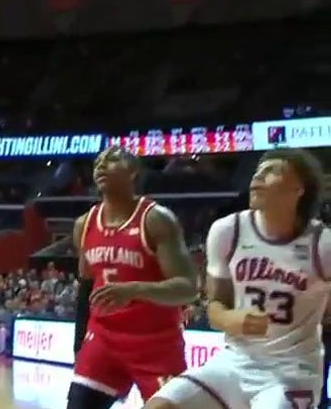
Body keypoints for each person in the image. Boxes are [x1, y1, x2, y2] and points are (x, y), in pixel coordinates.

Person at [147, 149, 330, 409]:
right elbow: (215, 307)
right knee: (160, 406)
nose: (258, 176)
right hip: (235, 362)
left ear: (299, 189)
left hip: (290, 374)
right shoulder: (228, 231)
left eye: (272, 171)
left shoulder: (322, 245)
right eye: (258, 170)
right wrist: (233, 319)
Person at [67, 146, 199, 409]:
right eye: (99, 161)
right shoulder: (84, 224)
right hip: (103, 338)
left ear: (133, 172)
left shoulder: (156, 219)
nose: (102, 165)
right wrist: (79, 343)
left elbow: (189, 288)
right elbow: (87, 285)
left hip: (156, 342)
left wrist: (133, 290)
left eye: (112, 160)